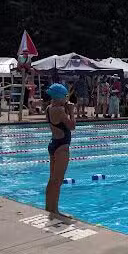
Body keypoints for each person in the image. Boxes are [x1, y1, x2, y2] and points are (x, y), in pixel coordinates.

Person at [45, 83, 75, 216]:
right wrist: (72, 112)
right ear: (60, 97)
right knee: (58, 180)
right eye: (65, 97)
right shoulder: (60, 110)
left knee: (52, 179)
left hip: (53, 144)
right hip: (62, 147)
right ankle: (55, 210)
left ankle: (48, 207)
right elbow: (72, 126)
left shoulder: (49, 108)